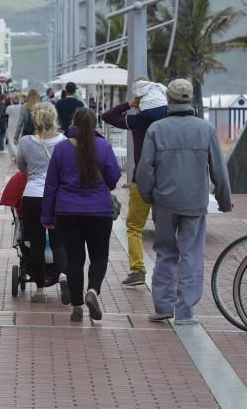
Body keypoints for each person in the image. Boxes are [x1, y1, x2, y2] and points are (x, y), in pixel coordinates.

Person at [137, 79, 232, 324]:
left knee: (165, 253)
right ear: (189, 99)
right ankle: (185, 312)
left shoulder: (156, 129)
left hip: (164, 202)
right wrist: (224, 201)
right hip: (194, 203)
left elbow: (144, 171)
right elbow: (219, 171)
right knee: (191, 255)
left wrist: (149, 196)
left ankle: (163, 306)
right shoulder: (206, 129)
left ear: (168, 99)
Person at [41, 108, 121, 322]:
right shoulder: (104, 146)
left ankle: (77, 307)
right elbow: (113, 178)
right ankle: (92, 291)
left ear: (73, 124)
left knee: (75, 259)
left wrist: (47, 216)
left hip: (68, 211)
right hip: (99, 211)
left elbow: (51, 185)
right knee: (99, 256)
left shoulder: (61, 149)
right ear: (95, 125)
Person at [101, 77, 167, 286]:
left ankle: (138, 270)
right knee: (166, 227)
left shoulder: (138, 121)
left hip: (142, 179)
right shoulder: (169, 119)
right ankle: (167, 272)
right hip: (167, 180)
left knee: (134, 226)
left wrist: (130, 104)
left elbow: (107, 116)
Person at [16, 102, 66, 303]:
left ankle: (39, 290)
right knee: (59, 241)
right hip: (58, 197)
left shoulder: (26, 142)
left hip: (33, 195)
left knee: (35, 243)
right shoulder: (65, 142)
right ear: (54, 118)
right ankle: (68, 279)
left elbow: (21, 166)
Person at [6, 93, 23, 161]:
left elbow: (6, 113)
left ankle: (13, 154)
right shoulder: (21, 107)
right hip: (19, 123)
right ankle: (18, 154)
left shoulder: (9, 107)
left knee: (11, 138)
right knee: (19, 138)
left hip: (11, 124)